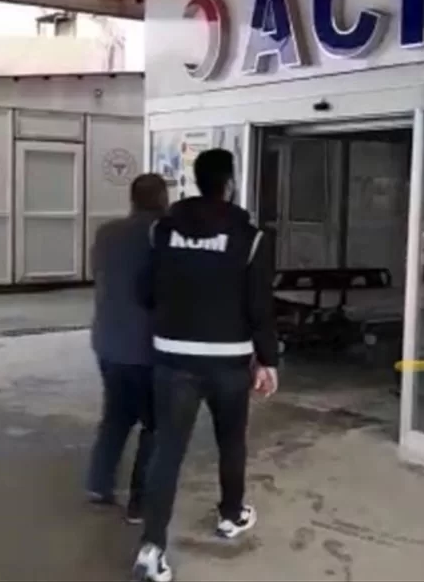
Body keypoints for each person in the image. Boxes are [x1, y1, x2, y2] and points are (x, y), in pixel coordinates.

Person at [132, 149, 278, 582]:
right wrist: (268, 360)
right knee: (231, 442)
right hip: (229, 361)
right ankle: (231, 515)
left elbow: (144, 292)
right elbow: (260, 306)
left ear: (196, 181)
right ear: (229, 184)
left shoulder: (162, 231)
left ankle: (152, 548)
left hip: (172, 357)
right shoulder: (250, 238)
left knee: (167, 452)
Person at [86, 173, 169, 523]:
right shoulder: (162, 235)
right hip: (145, 347)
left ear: (132, 199)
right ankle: (141, 502)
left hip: (107, 341)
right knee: (155, 424)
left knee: (116, 416)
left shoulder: (106, 233)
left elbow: (100, 275)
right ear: (163, 199)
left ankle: (98, 484)